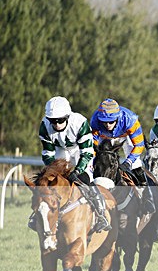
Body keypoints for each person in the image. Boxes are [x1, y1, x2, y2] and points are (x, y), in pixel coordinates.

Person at [33, 96, 110, 233]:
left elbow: (86, 152)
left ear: (67, 116)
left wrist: (78, 170)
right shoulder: (44, 126)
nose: (56, 124)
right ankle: (37, 213)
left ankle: (101, 213)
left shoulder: (80, 123)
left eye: (60, 120)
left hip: (79, 150)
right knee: (47, 180)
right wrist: (54, 171)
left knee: (85, 179)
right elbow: (47, 154)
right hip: (60, 151)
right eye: (53, 121)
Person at [90, 98, 156, 214]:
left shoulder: (130, 120)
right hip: (104, 138)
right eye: (104, 121)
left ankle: (147, 197)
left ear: (117, 117)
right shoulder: (95, 121)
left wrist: (128, 162)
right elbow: (93, 147)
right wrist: (94, 160)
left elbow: (139, 145)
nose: (107, 125)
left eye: (111, 121)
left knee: (136, 165)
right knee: (92, 163)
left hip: (126, 136)